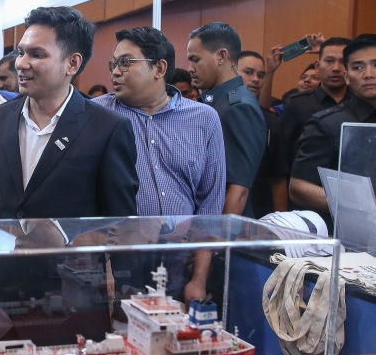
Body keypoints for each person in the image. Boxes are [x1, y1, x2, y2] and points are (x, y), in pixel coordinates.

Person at [0, 6, 139, 220]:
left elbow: (120, 223)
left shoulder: (107, 129)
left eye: (37, 55)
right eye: (21, 52)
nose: (21, 64)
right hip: (5, 252)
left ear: (72, 63)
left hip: (71, 253)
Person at [290, 34, 376, 226]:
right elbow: (299, 188)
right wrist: (367, 206)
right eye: (358, 67)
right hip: (347, 237)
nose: (368, 74)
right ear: (347, 76)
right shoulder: (327, 123)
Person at [94, 26, 225, 217]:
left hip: (183, 245)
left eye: (125, 62)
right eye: (113, 64)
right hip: (119, 243)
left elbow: (211, 198)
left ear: (159, 68)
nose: (115, 72)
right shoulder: (98, 114)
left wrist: (202, 246)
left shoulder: (204, 119)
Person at [187, 22, 265, 217]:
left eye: (195, 60)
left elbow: (237, 192)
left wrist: (214, 244)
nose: (190, 68)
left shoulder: (239, 107)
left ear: (222, 56)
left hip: (223, 236)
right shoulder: (217, 102)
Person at [279, 37, 350, 173]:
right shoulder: (297, 103)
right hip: (304, 184)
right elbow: (282, 155)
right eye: (329, 61)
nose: (336, 68)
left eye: (343, 62)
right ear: (317, 66)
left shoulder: (360, 104)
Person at [237, 51, 288, 216]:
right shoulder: (215, 113)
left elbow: (278, 179)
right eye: (249, 72)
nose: (256, 80)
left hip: (261, 214)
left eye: (261, 75)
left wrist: (281, 225)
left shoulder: (271, 121)